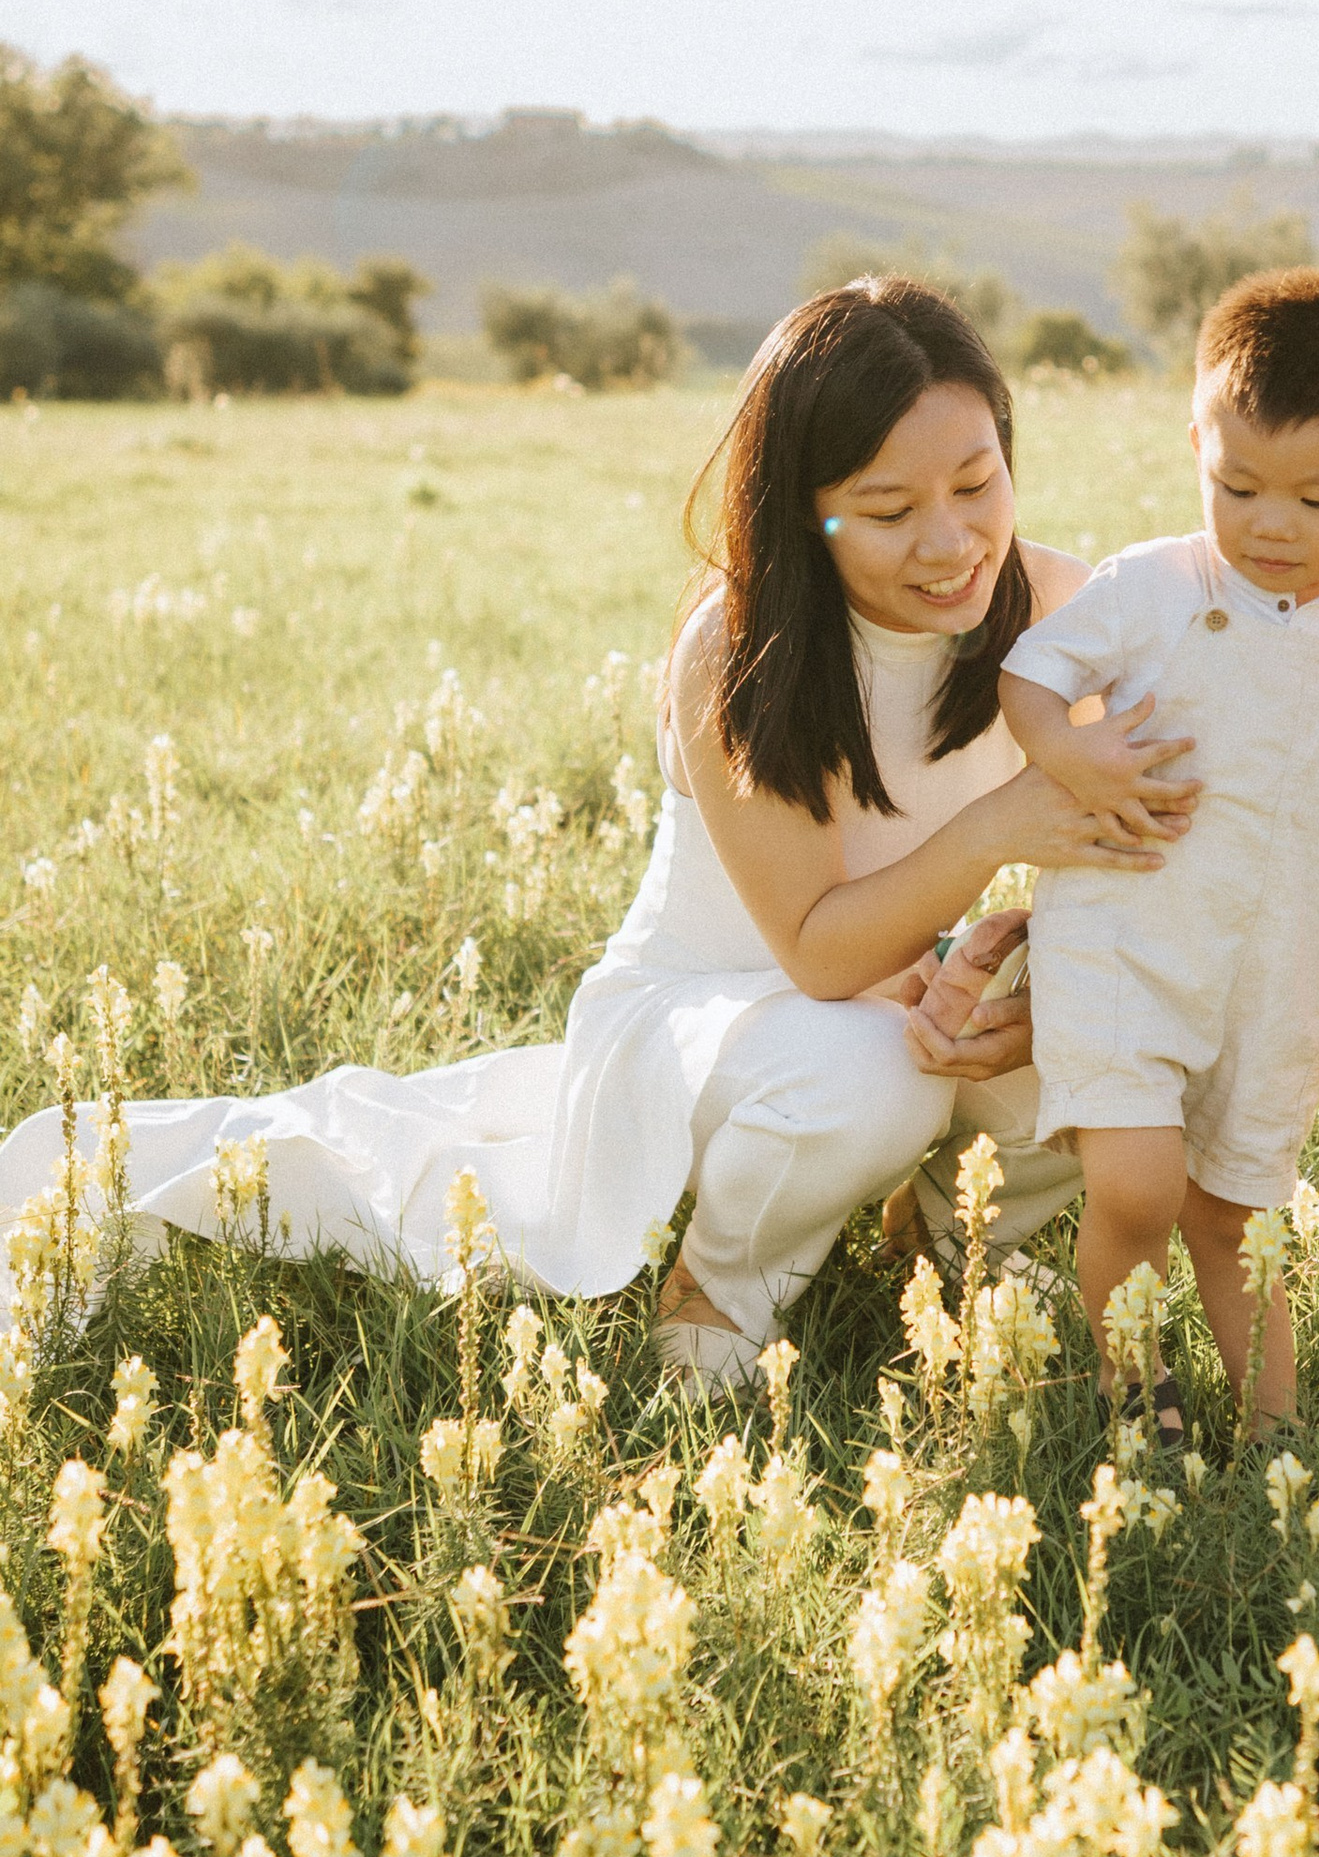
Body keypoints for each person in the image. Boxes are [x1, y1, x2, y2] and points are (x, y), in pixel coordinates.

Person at [0, 281, 1185, 1383]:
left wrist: (1015, 986)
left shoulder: (1061, 610)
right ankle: (716, 1299)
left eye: (976, 485)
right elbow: (818, 955)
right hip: (710, 1015)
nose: (949, 542)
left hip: (911, 985)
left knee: (1133, 1020)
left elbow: (1164, 828)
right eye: (887, 509)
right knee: (867, 1082)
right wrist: (993, 843)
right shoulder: (742, 648)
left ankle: (938, 1239)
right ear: (807, 513)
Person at [995, 267, 1319, 1435]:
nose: (1268, 523)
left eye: (1315, 499)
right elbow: (1030, 674)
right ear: (1197, 445)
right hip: (1126, 939)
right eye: (1236, 485)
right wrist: (1067, 755)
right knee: (1140, 1187)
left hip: (1271, 976)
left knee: (1235, 1220)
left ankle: (1273, 1426)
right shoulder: (1149, 588)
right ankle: (1130, 1383)